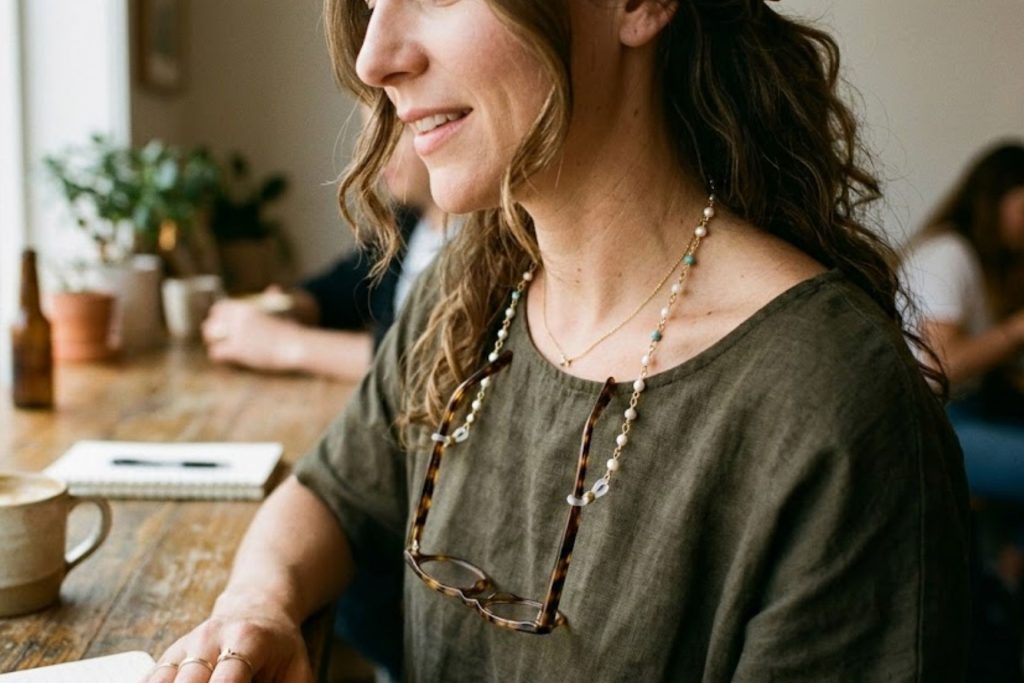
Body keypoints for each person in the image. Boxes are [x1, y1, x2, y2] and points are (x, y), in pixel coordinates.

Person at [146, 2, 970, 682]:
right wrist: (258, 601)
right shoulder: (469, 292)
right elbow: (331, 491)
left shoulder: (831, 407)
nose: (374, 56)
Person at [201, 124, 445, 382]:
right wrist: (286, 306)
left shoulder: (477, 245)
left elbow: (428, 361)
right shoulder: (407, 224)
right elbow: (343, 288)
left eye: (394, 131)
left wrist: (283, 345)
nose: (373, 149)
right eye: (369, 132)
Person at [900, 142, 1024, 502]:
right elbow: (942, 366)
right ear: (994, 201)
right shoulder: (948, 255)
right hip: (931, 424)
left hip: (968, 412)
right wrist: (1017, 329)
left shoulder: (984, 262)